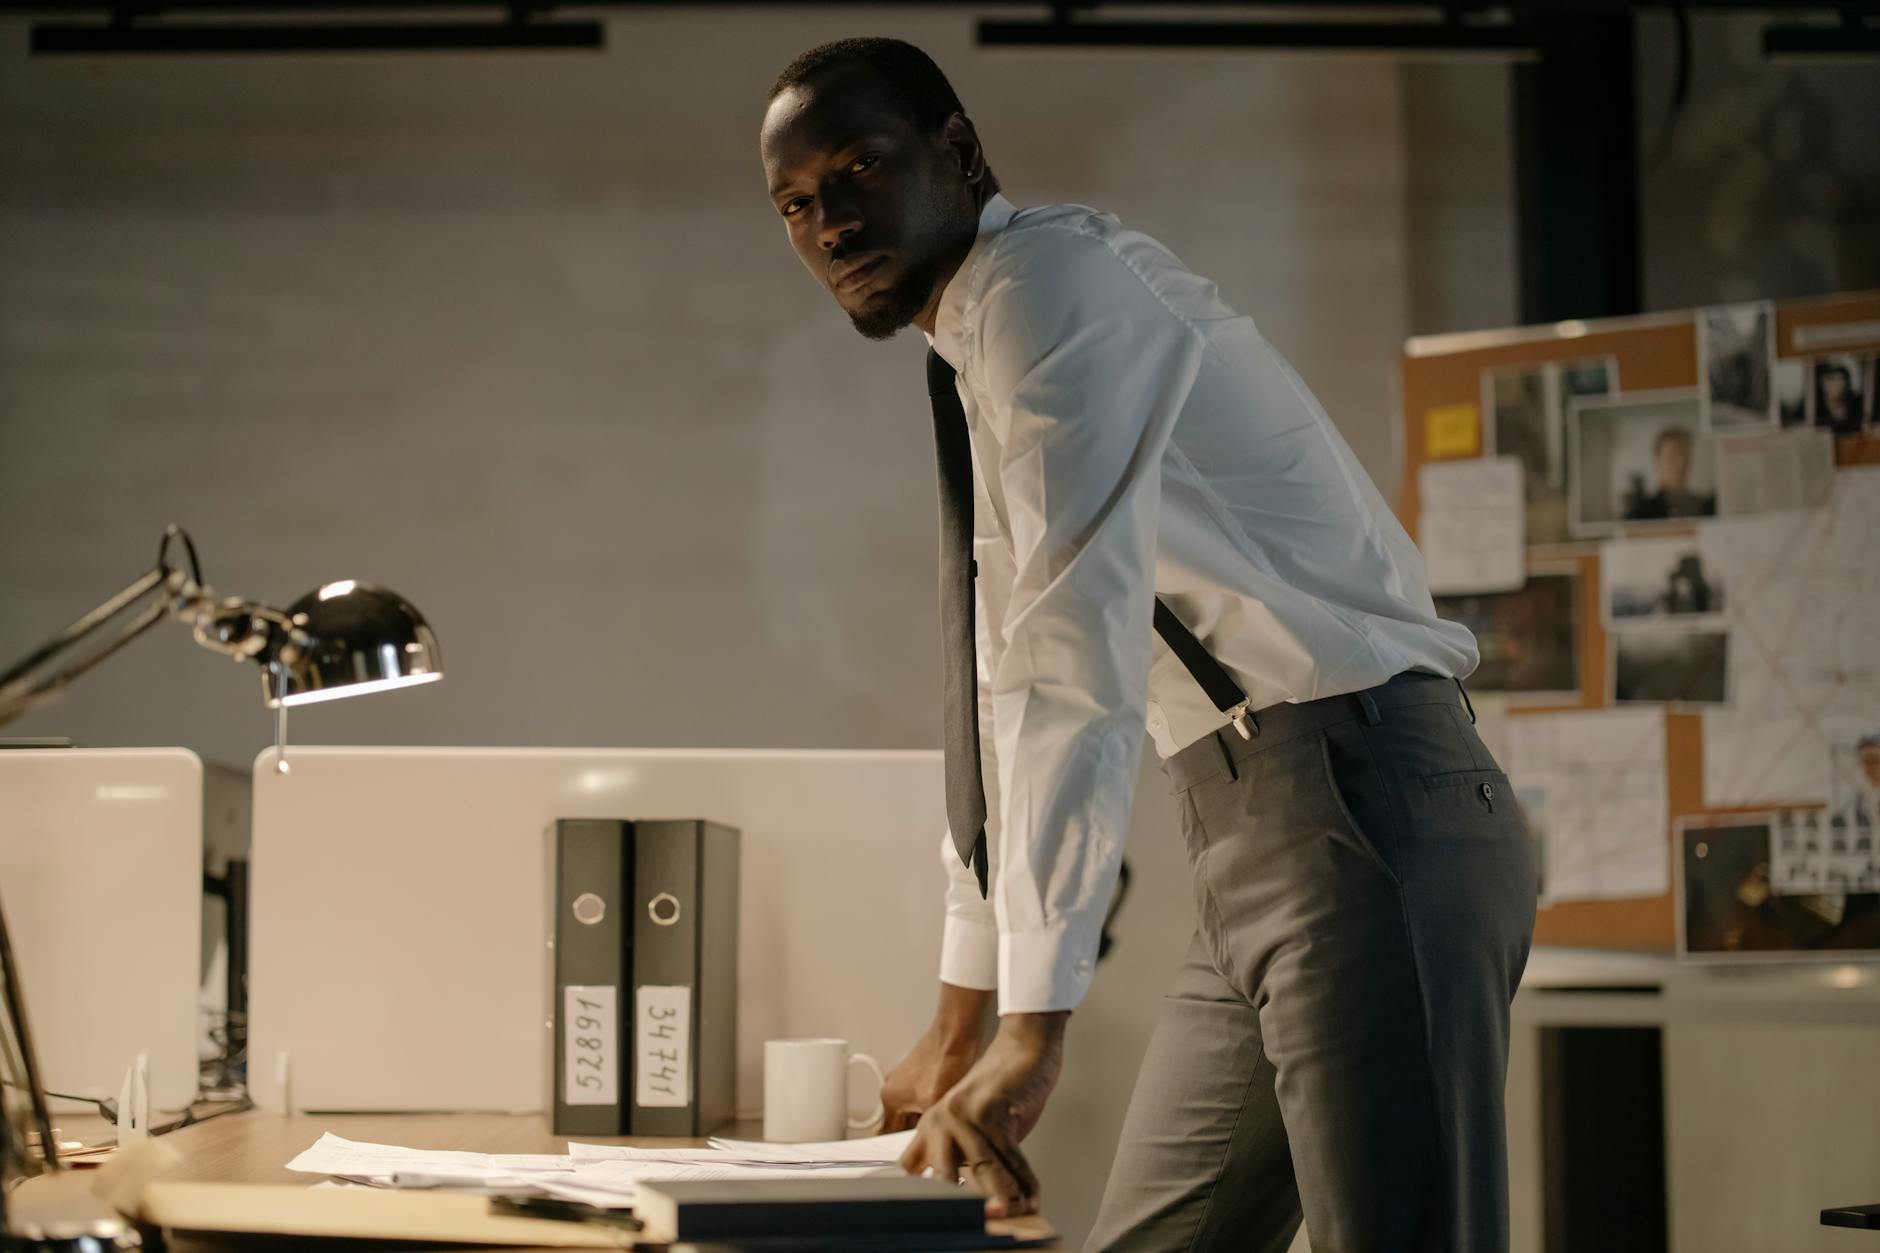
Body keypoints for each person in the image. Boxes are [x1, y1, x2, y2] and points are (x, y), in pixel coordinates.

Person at [759, 38, 1536, 1253]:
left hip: (1364, 800)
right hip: (1252, 829)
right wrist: (964, 1018)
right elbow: (998, 687)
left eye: (861, 169)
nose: (831, 221)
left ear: (956, 152)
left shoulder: (1044, 292)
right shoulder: (975, 339)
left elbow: (1072, 659)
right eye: (797, 203)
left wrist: (1035, 1021)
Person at [1623, 426, 1715, 520]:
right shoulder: (1641, 514)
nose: (1680, 463)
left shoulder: (1707, 507)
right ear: (1658, 459)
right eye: (1672, 455)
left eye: (1685, 455)